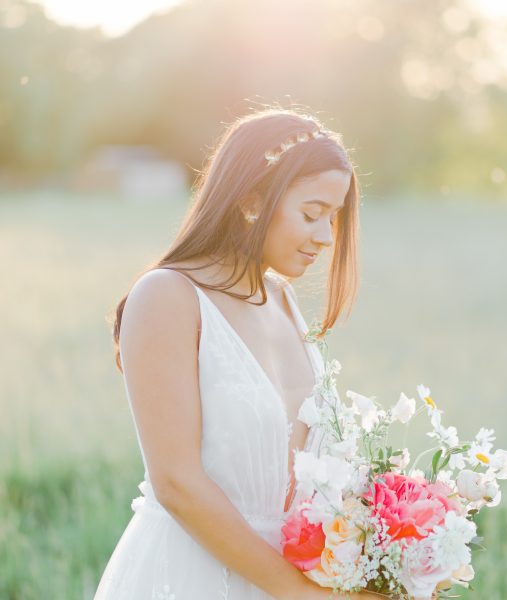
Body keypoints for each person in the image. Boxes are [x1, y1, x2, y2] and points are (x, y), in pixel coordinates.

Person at [94, 107, 381, 599]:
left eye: (332, 219)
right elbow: (177, 483)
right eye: (312, 214)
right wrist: (299, 594)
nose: (326, 238)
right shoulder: (168, 297)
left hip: (294, 576)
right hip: (193, 576)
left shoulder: (283, 300)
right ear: (252, 199)